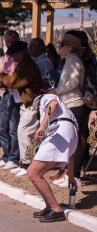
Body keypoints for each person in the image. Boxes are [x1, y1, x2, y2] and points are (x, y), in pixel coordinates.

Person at [0, 41, 43, 175]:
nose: (12, 58)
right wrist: (2, 83)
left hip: (31, 102)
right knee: (23, 132)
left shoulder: (26, 64)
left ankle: (27, 164)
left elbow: (14, 81)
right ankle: (25, 162)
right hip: (26, 102)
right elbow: (15, 83)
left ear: (21, 53)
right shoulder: (23, 63)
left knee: (24, 132)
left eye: (14, 55)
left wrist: (1, 76)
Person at [27, 94, 79, 223]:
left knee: (33, 173)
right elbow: (71, 153)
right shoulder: (68, 115)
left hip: (59, 131)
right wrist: (71, 176)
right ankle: (50, 206)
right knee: (35, 173)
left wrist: (42, 126)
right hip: (69, 135)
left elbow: (53, 103)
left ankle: (56, 209)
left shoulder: (46, 97)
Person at [47, 33, 87, 186]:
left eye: (63, 45)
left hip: (75, 104)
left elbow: (74, 82)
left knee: (75, 141)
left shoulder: (74, 60)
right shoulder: (70, 60)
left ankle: (74, 176)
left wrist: (57, 90)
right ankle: (68, 173)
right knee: (71, 141)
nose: (60, 48)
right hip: (70, 103)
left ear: (70, 47)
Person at [0, 30, 22, 170]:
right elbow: (4, 72)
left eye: (11, 42)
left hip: (15, 93)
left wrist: (3, 76)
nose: (9, 44)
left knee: (13, 128)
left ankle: (14, 158)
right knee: (2, 127)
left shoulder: (20, 57)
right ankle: (6, 156)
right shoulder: (6, 56)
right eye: (7, 42)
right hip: (5, 92)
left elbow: (14, 75)